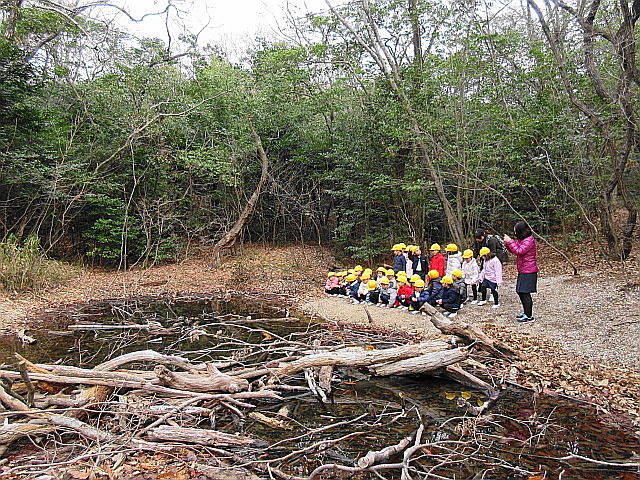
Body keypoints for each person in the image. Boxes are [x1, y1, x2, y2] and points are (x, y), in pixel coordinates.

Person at [504, 221, 539, 323]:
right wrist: (508, 243)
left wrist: (510, 241)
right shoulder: (523, 240)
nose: (514, 233)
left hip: (529, 270)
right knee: (520, 291)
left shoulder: (529, 240)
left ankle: (529, 316)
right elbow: (514, 250)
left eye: (515, 231)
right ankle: (526, 313)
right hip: (523, 269)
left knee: (524, 292)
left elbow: (519, 251)